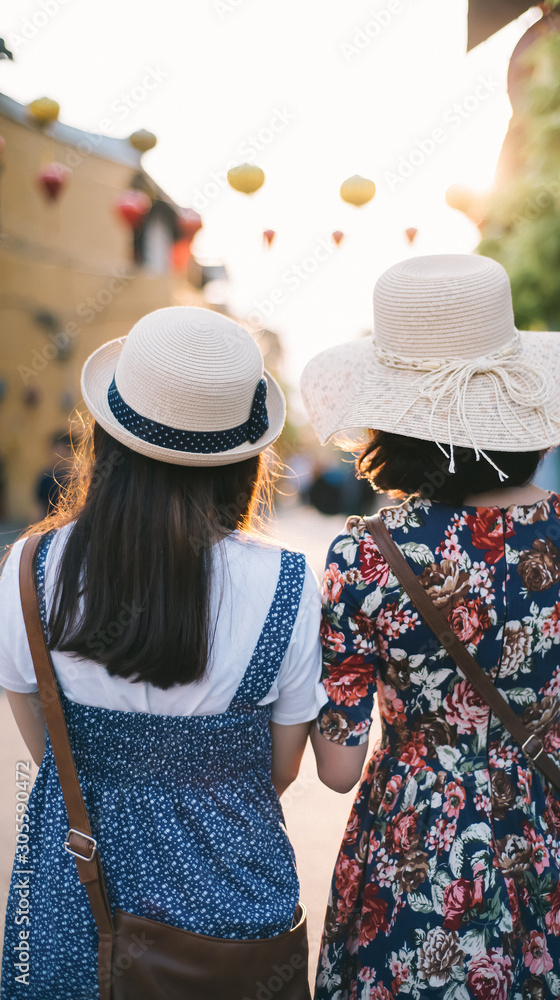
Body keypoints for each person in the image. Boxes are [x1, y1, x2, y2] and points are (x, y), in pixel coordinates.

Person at [300, 255, 560, 998]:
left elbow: (335, 767)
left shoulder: (366, 556)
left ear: (395, 422)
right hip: (558, 831)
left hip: (415, 848)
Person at [0, 307, 325, 998]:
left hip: (75, 891)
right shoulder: (288, 583)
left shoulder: (31, 566)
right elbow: (282, 767)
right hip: (232, 896)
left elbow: (44, 744)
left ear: (109, 442)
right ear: (242, 459)